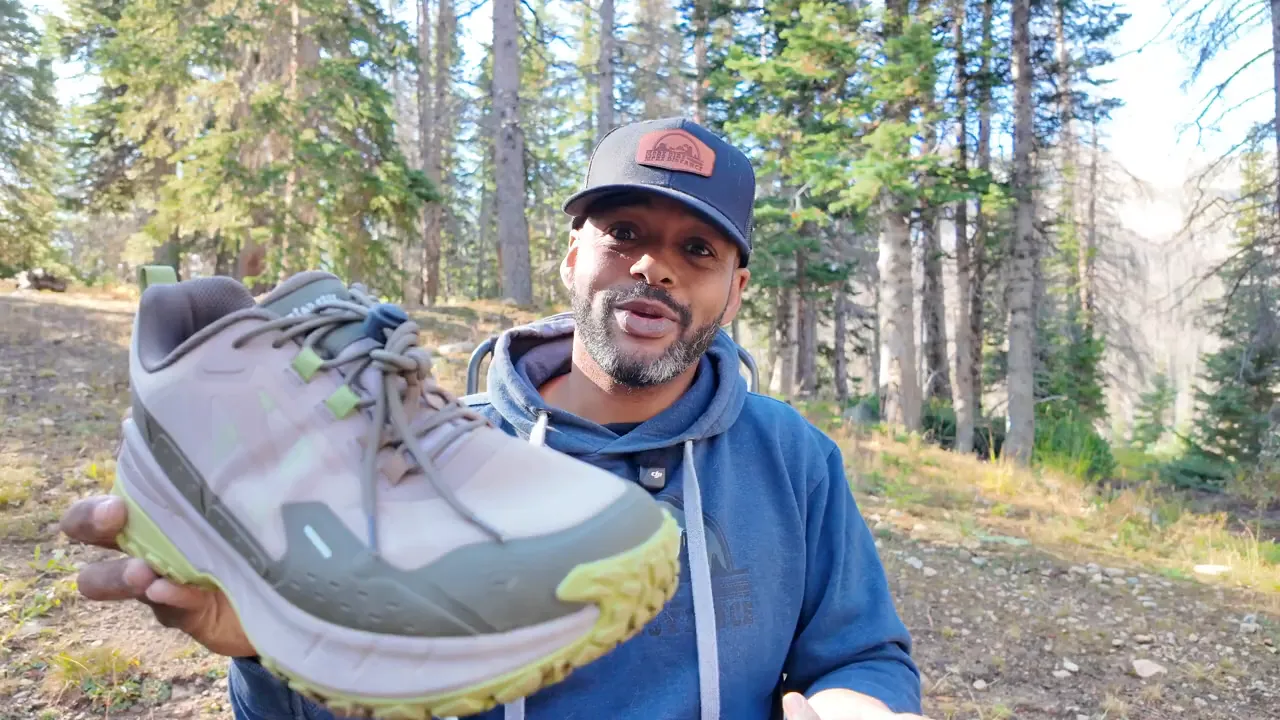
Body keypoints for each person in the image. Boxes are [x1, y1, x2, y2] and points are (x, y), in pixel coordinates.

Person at [59, 117, 926, 720]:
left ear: (735, 293)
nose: (654, 267)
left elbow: (859, 652)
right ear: (571, 258)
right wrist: (268, 651)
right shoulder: (408, 460)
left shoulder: (794, 460)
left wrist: (862, 709)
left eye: (696, 249)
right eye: (624, 231)